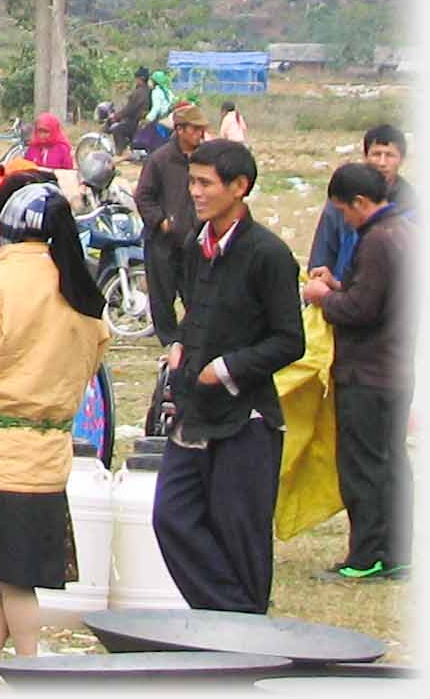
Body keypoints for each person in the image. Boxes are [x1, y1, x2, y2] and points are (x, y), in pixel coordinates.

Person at [0, 172, 111, 678]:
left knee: (15, 579)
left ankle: (32, 670)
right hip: (47, 453)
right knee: (4, 573)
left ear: (4, 228)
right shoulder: (77, 284)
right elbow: (97, 347)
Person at [153, 139, 304, 614]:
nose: (194, 192)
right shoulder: (197, 244)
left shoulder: (269, 254)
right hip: (194, 410)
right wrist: (180, 343)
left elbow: (288, 340)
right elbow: (197, 312)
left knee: (239, 531)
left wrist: (227, 368)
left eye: (205, 183)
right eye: (191, 181)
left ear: (240, 187)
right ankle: (229, 617)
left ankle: (241, 630)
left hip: (246, 415)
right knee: (171, 517)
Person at [301, 163, 412, 581]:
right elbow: (375, 298)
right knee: (391, 462)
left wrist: (322, 297)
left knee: (363, 468)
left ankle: (365, 558)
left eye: (343, 212)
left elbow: (361, 311)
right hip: (395, 372)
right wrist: (337, 284)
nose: (343, 220)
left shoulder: (378, 241)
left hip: (368, 374)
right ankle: (397, 552)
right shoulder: (404, 232)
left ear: (361, 203)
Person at [134, 102, 207, 342]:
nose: (199, 134)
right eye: (194, 129)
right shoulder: (160, 159)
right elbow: (143, 195)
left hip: (196, 239)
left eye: (201, 129)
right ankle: (169, 341)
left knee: (197, 292)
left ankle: (195, 338)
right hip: (162, 240)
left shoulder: (205, 159)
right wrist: (161, 221)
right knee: (162, 294)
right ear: (180, 129)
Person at [311, 124, 410, 282]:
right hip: (341, 294)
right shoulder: (342, 200)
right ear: (365, 157)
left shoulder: (411, 207)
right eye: (376, 154)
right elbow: (323, 252)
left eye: (390, 155)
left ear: (401, 160)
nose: (382, 163)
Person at [113, 68, 152, 155]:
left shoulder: (139, 92)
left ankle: (120, 152)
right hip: (141, 120)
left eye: (137, 79)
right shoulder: (148, 90)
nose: (136, 81)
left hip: (135, 121)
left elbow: (129, 109)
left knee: (117, 130)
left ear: (140, 79)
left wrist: (117, 116)